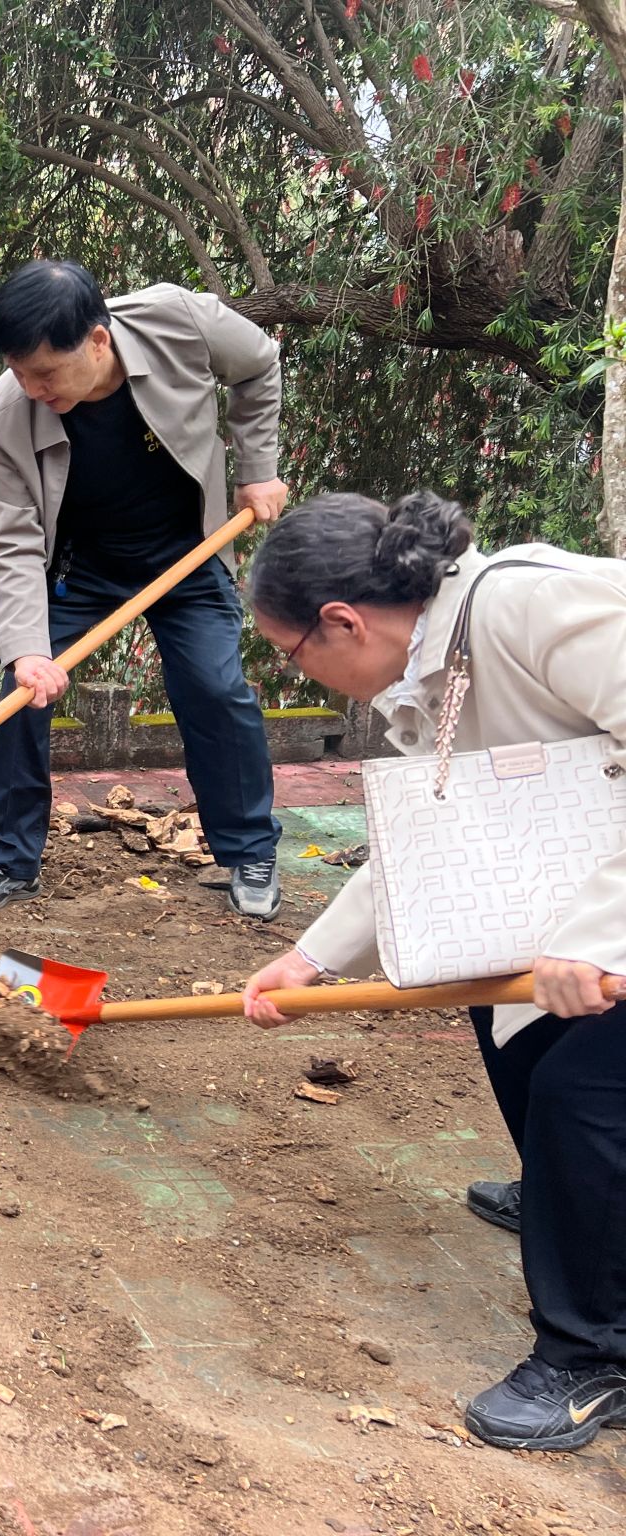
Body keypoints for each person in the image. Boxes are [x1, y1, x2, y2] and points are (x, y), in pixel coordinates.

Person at [240, 490, 626, 1452]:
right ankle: (576, 1205)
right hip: (590, 876)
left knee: (586, 1091)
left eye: (292, 653)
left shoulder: (528, 610)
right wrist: (310, 959)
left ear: (343, 621)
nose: (302, 673)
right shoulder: (433, 664)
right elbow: (437, 835)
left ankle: (594, 1354)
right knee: (507, 1019)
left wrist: (601, 937)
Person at [0, 260, 288, 921]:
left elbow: (258, 365)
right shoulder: (4, 413)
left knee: (216, 690)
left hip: (188, 554)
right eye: (18, 372)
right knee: (21, 694)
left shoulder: (178, 320)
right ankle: (8, 862)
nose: (32, 388)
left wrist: (257, 469)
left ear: (98, 341)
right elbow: (12, 541)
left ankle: (249, 851)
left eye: (46, 373)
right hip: (80, 565)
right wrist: (27, 651)